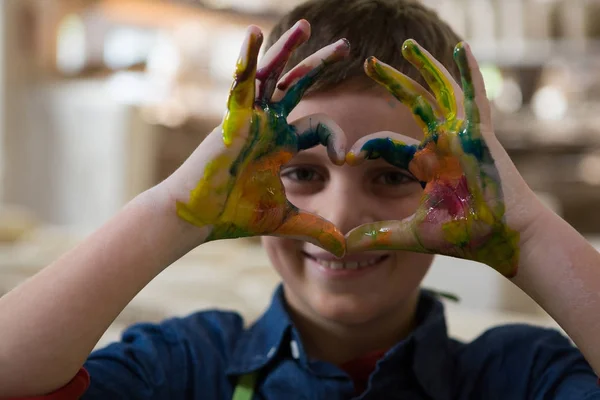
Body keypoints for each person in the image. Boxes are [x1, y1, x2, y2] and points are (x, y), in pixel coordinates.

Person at [1, 0, 599, 398]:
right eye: (303, 174)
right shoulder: (187, 362)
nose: (338, 219)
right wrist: (171, 210)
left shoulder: (518, 375)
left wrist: (527, 232)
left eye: (392, 177)